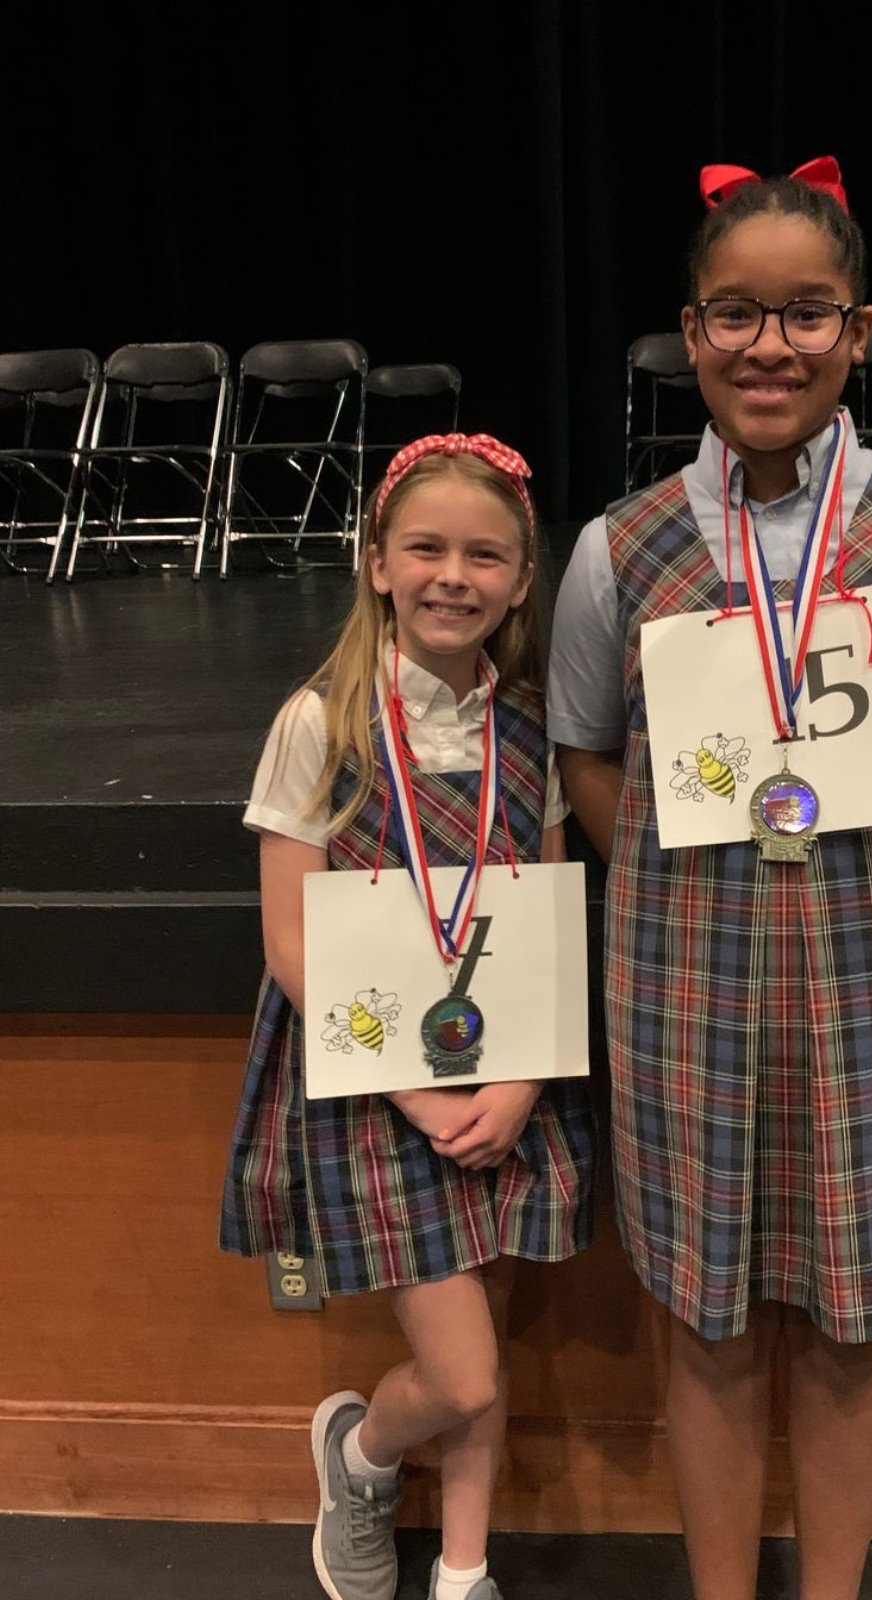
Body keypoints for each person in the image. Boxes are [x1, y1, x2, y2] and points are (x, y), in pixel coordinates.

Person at [548, 159, 872, 1600]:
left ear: (863, 330)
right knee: (703, 1325)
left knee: (848, 1326)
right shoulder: (617, 550)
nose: (770, 346)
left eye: (806, 315)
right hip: (682, 990)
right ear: (689, 335)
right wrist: (680, 874)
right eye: (736, 316)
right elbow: (591, 755)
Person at [221, 434, 594, 1600]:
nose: (454, 574)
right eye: (425, 547)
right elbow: (289, 943)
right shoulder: (320, 723)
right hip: (378, 1085)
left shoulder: (530, 728)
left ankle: (464, 1570)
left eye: (486, 555)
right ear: (377, 562)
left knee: (485, 1311)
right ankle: (364, 1455)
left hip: (502, 1077)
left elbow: (541, 918)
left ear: (523, 581)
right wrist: (418, 1090)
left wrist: (521, 1083)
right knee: (467, 1373)